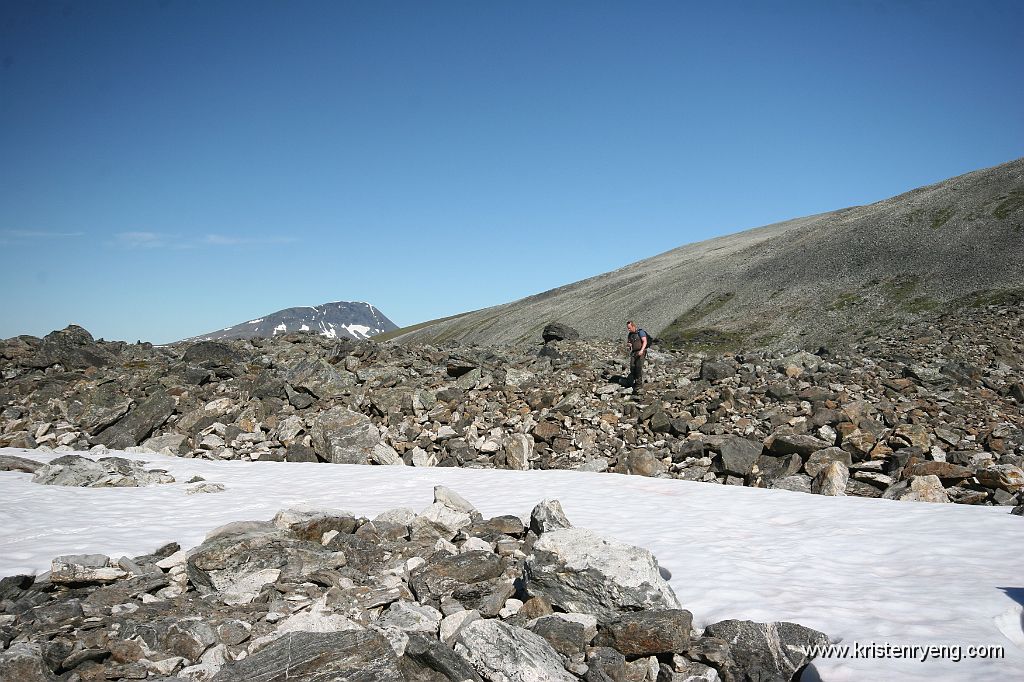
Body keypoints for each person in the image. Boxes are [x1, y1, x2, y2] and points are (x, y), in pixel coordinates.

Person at [626, 321, 648, 394]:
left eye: (629, 328)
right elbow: (629, 342)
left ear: (633, 326)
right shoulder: (630, 335)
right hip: (634, 352)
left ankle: (639, 384)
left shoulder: (640, 332)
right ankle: (635, 381)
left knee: (638, 367)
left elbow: (644, 341)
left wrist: (642, 350)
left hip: (641, 351)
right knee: (632, 366)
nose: (628, 329)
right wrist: (629, 345)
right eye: (628, 328)